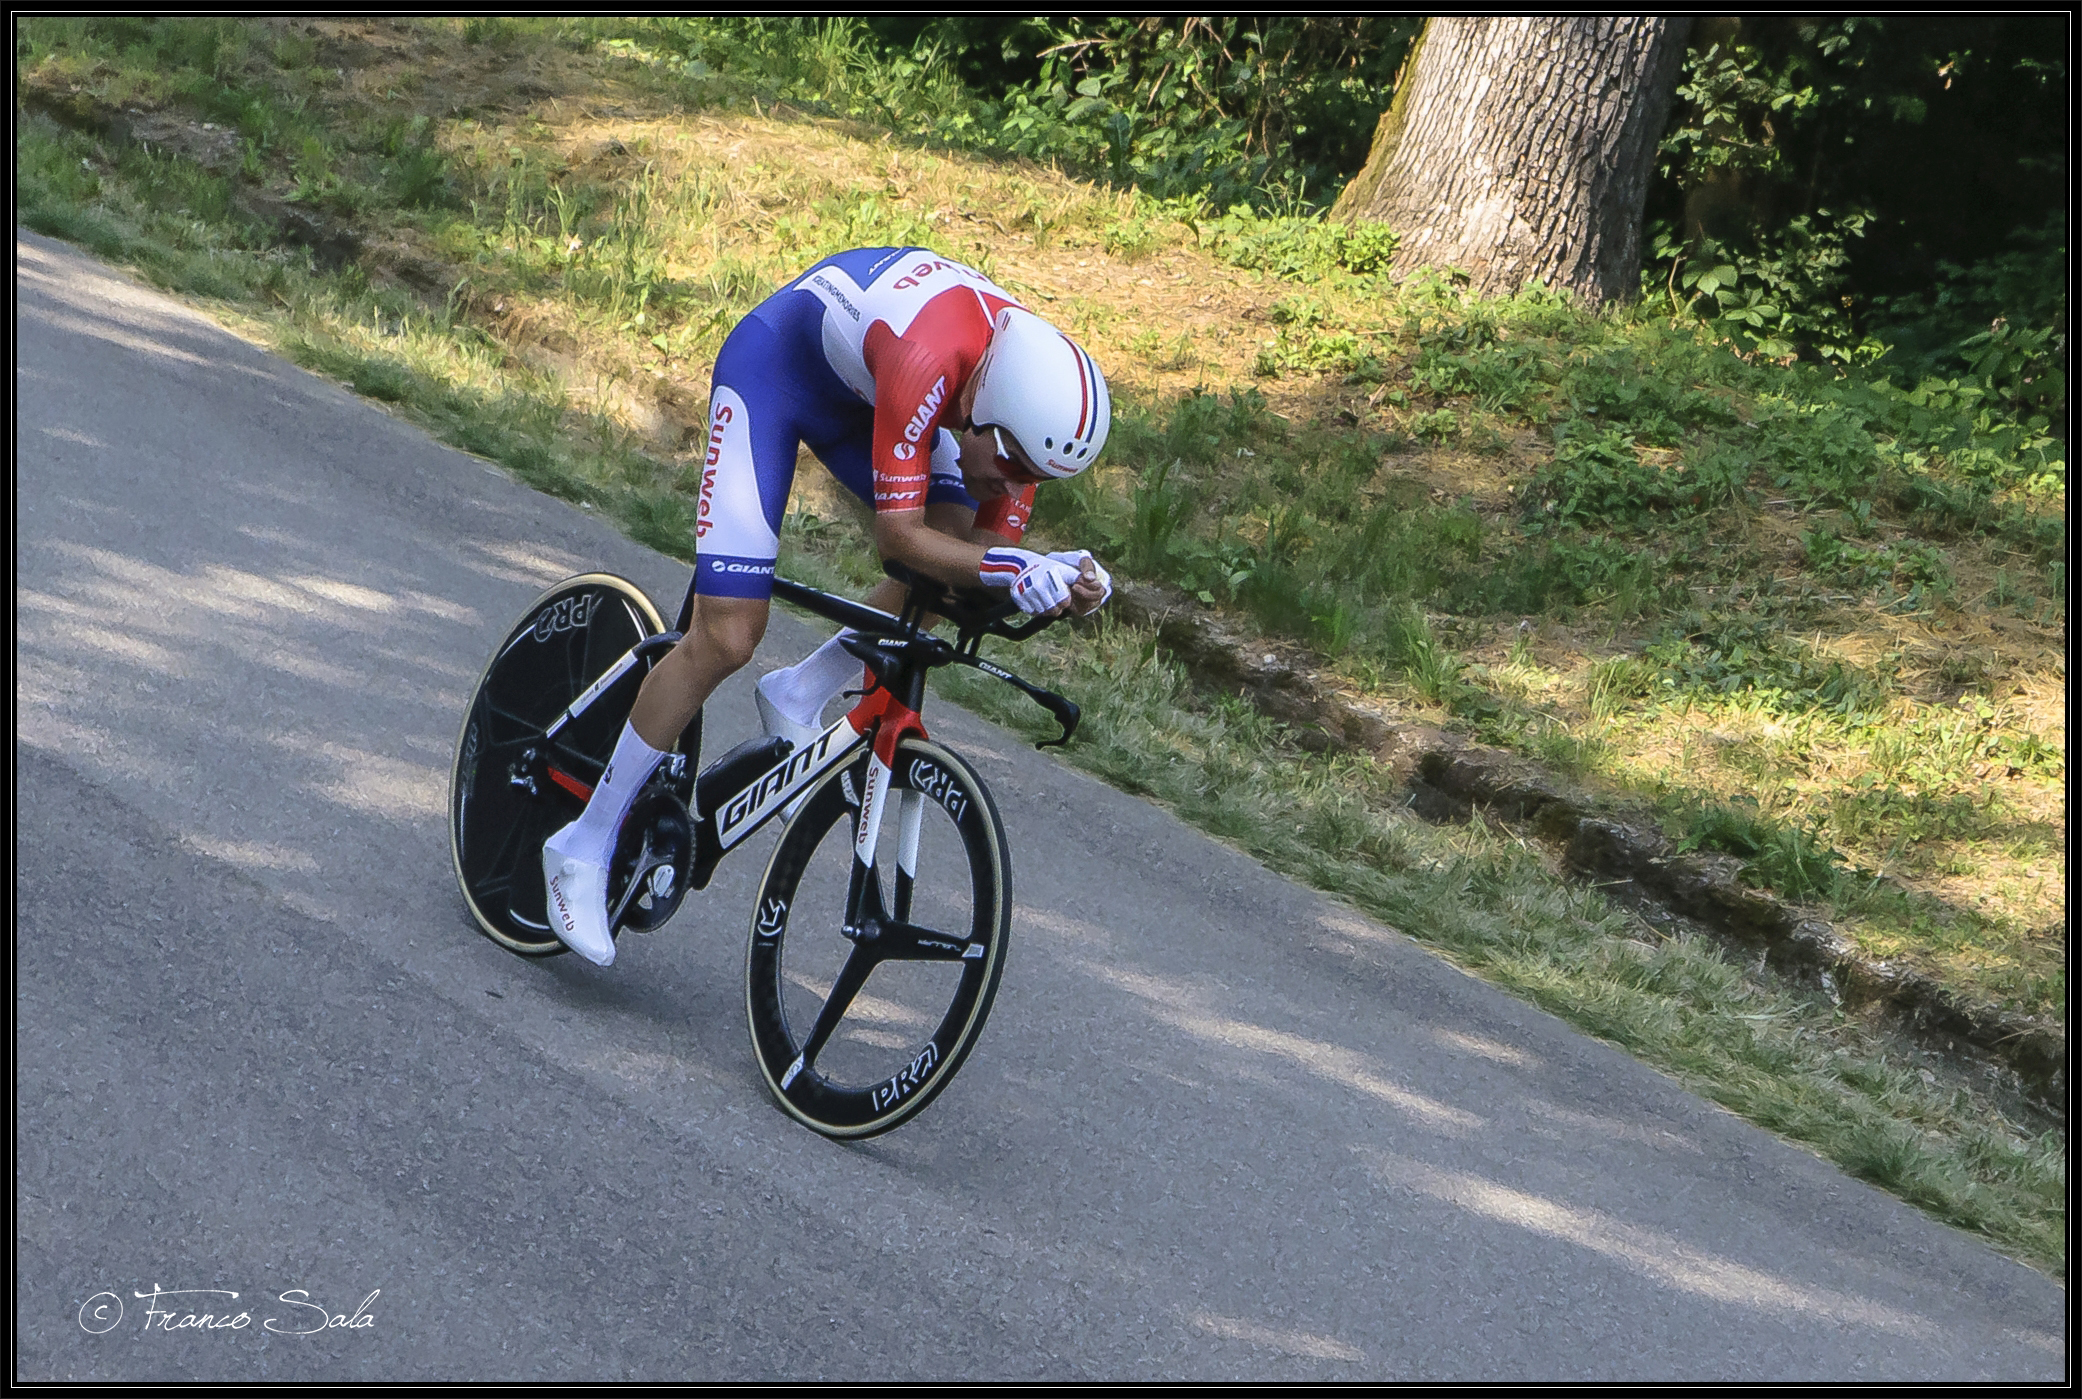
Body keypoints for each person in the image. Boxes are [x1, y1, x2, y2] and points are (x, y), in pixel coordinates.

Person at [542, 246, 1116, 965]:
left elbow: (973, 574)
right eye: (1012, 467)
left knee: (953, 563)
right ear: (987, 418)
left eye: (1035, 478)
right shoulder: (929, 357)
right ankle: (582, 844)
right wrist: (1005, 561)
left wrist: (1063, 582)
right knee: (727, 634)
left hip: (865, 398)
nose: (1015, 487)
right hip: (776, 370)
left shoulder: (1020, 419)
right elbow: (900, 543)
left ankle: (801, 689)